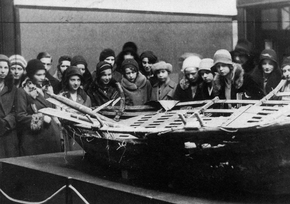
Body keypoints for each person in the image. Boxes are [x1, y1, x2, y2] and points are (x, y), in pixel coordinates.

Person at [16, 59, 62, 156]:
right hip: (34, 140)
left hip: (52, 137)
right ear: (31, 74)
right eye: (38, 75)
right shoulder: (23, 91)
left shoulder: (48, 89)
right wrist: (41, 118)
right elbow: (20, 116)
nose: (42, 77)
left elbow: (53, 109)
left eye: (43, 74)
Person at [58, 66, 91, 150]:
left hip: (83, 135)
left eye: (78, 80)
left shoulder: (85, 98)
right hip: (67, 135)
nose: (76, 83)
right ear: (67, 80)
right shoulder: (61, 97)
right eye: (72, 80)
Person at [0, 54, 19, 158]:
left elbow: (17, 110)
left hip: (8, 132)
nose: (3, 71)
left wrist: (6, 122)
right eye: (0, 67)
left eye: (6, 67)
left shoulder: (13, 89)